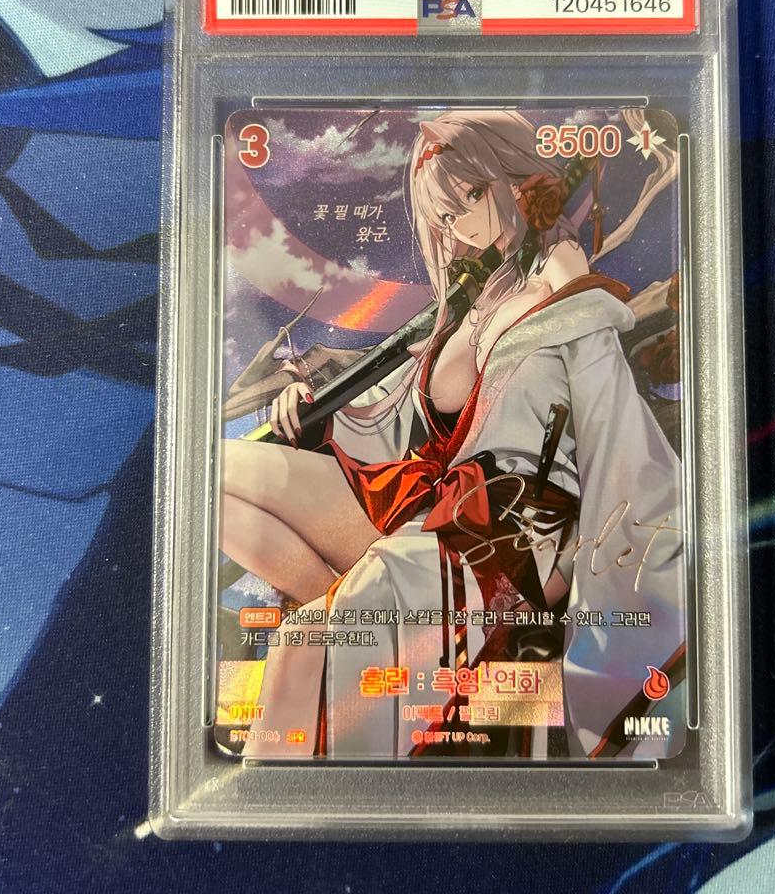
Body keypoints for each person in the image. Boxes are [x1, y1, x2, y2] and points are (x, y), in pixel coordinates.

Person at [222, 109, 686, 760]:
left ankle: (343, 636)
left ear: (517, 179)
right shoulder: (477, 295)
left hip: (506, 535)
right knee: (210, 477)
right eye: (445, 214)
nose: (461, 224)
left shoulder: (562, 286)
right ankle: (341, 607)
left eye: (470, 195)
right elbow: (401, 408)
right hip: (428, 494)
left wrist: (576, 568)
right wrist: (310, 399)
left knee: (305, 647)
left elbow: (609, 427)